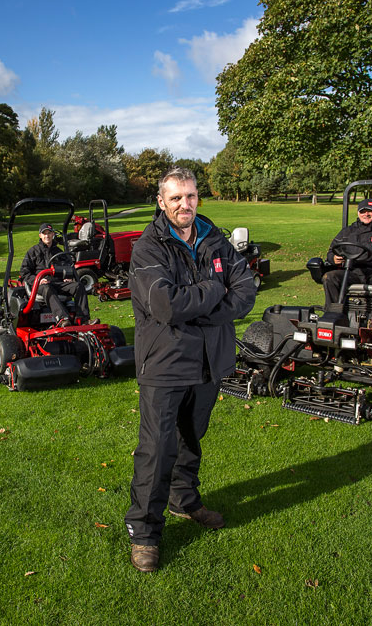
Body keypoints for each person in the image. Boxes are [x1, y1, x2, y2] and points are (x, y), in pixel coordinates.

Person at [124, 167, 256, 572]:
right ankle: (144, 531)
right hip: (165, 364)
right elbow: (165, 306)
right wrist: (216, 290)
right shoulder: (149, 247)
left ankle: (184, 500)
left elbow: (247, 289)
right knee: (157, 447)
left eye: (192, 196)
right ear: (162, 202)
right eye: (177, 198)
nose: (186, 204)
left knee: (191, 437)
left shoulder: (214, 238)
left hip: (209, 361)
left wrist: (199, 308)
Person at [322, 198, 372, 330]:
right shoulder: (348, 232)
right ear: (358, 213)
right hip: (353, 271)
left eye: (370, 211)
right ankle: (333, 315)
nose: (366, 214)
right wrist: (333, 258)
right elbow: (332, 250)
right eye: (363, 211)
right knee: (329, 277)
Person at [18, 223, 90, 327]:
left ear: (53, 235)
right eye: (44, 233)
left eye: (49, 233)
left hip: (57, 283)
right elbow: (24, 272)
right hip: (40, 284)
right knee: (47, 288)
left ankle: (83, 319)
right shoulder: (33, 251)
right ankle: (62, 319)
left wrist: (68, 277)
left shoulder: (58, 252)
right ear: (40, 236)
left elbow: (67, 267)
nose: (47, 236)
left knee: (78, 286)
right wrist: (37, 280)